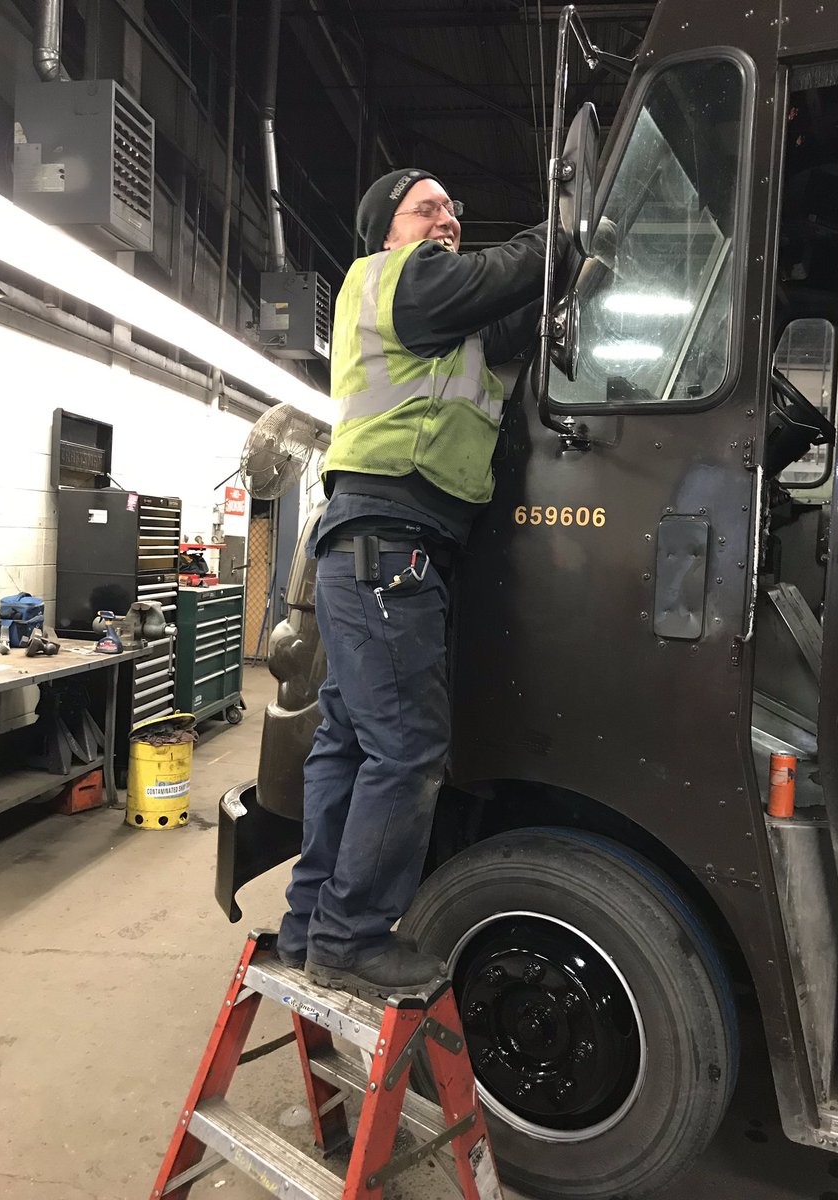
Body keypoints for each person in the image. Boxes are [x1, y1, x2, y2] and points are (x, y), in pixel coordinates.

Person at [277, 167, 557, 998]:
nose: (445, 219)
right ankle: (353, 936)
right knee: (407, 748)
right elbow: (506, 274)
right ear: (386, 230)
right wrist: (566, 228)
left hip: (381, 546)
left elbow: (514, 313)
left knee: (351, 742)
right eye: (424, 207)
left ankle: (307, 928)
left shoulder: (451, 327)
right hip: (389, 540)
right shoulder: (393, 278)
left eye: (451, 208)